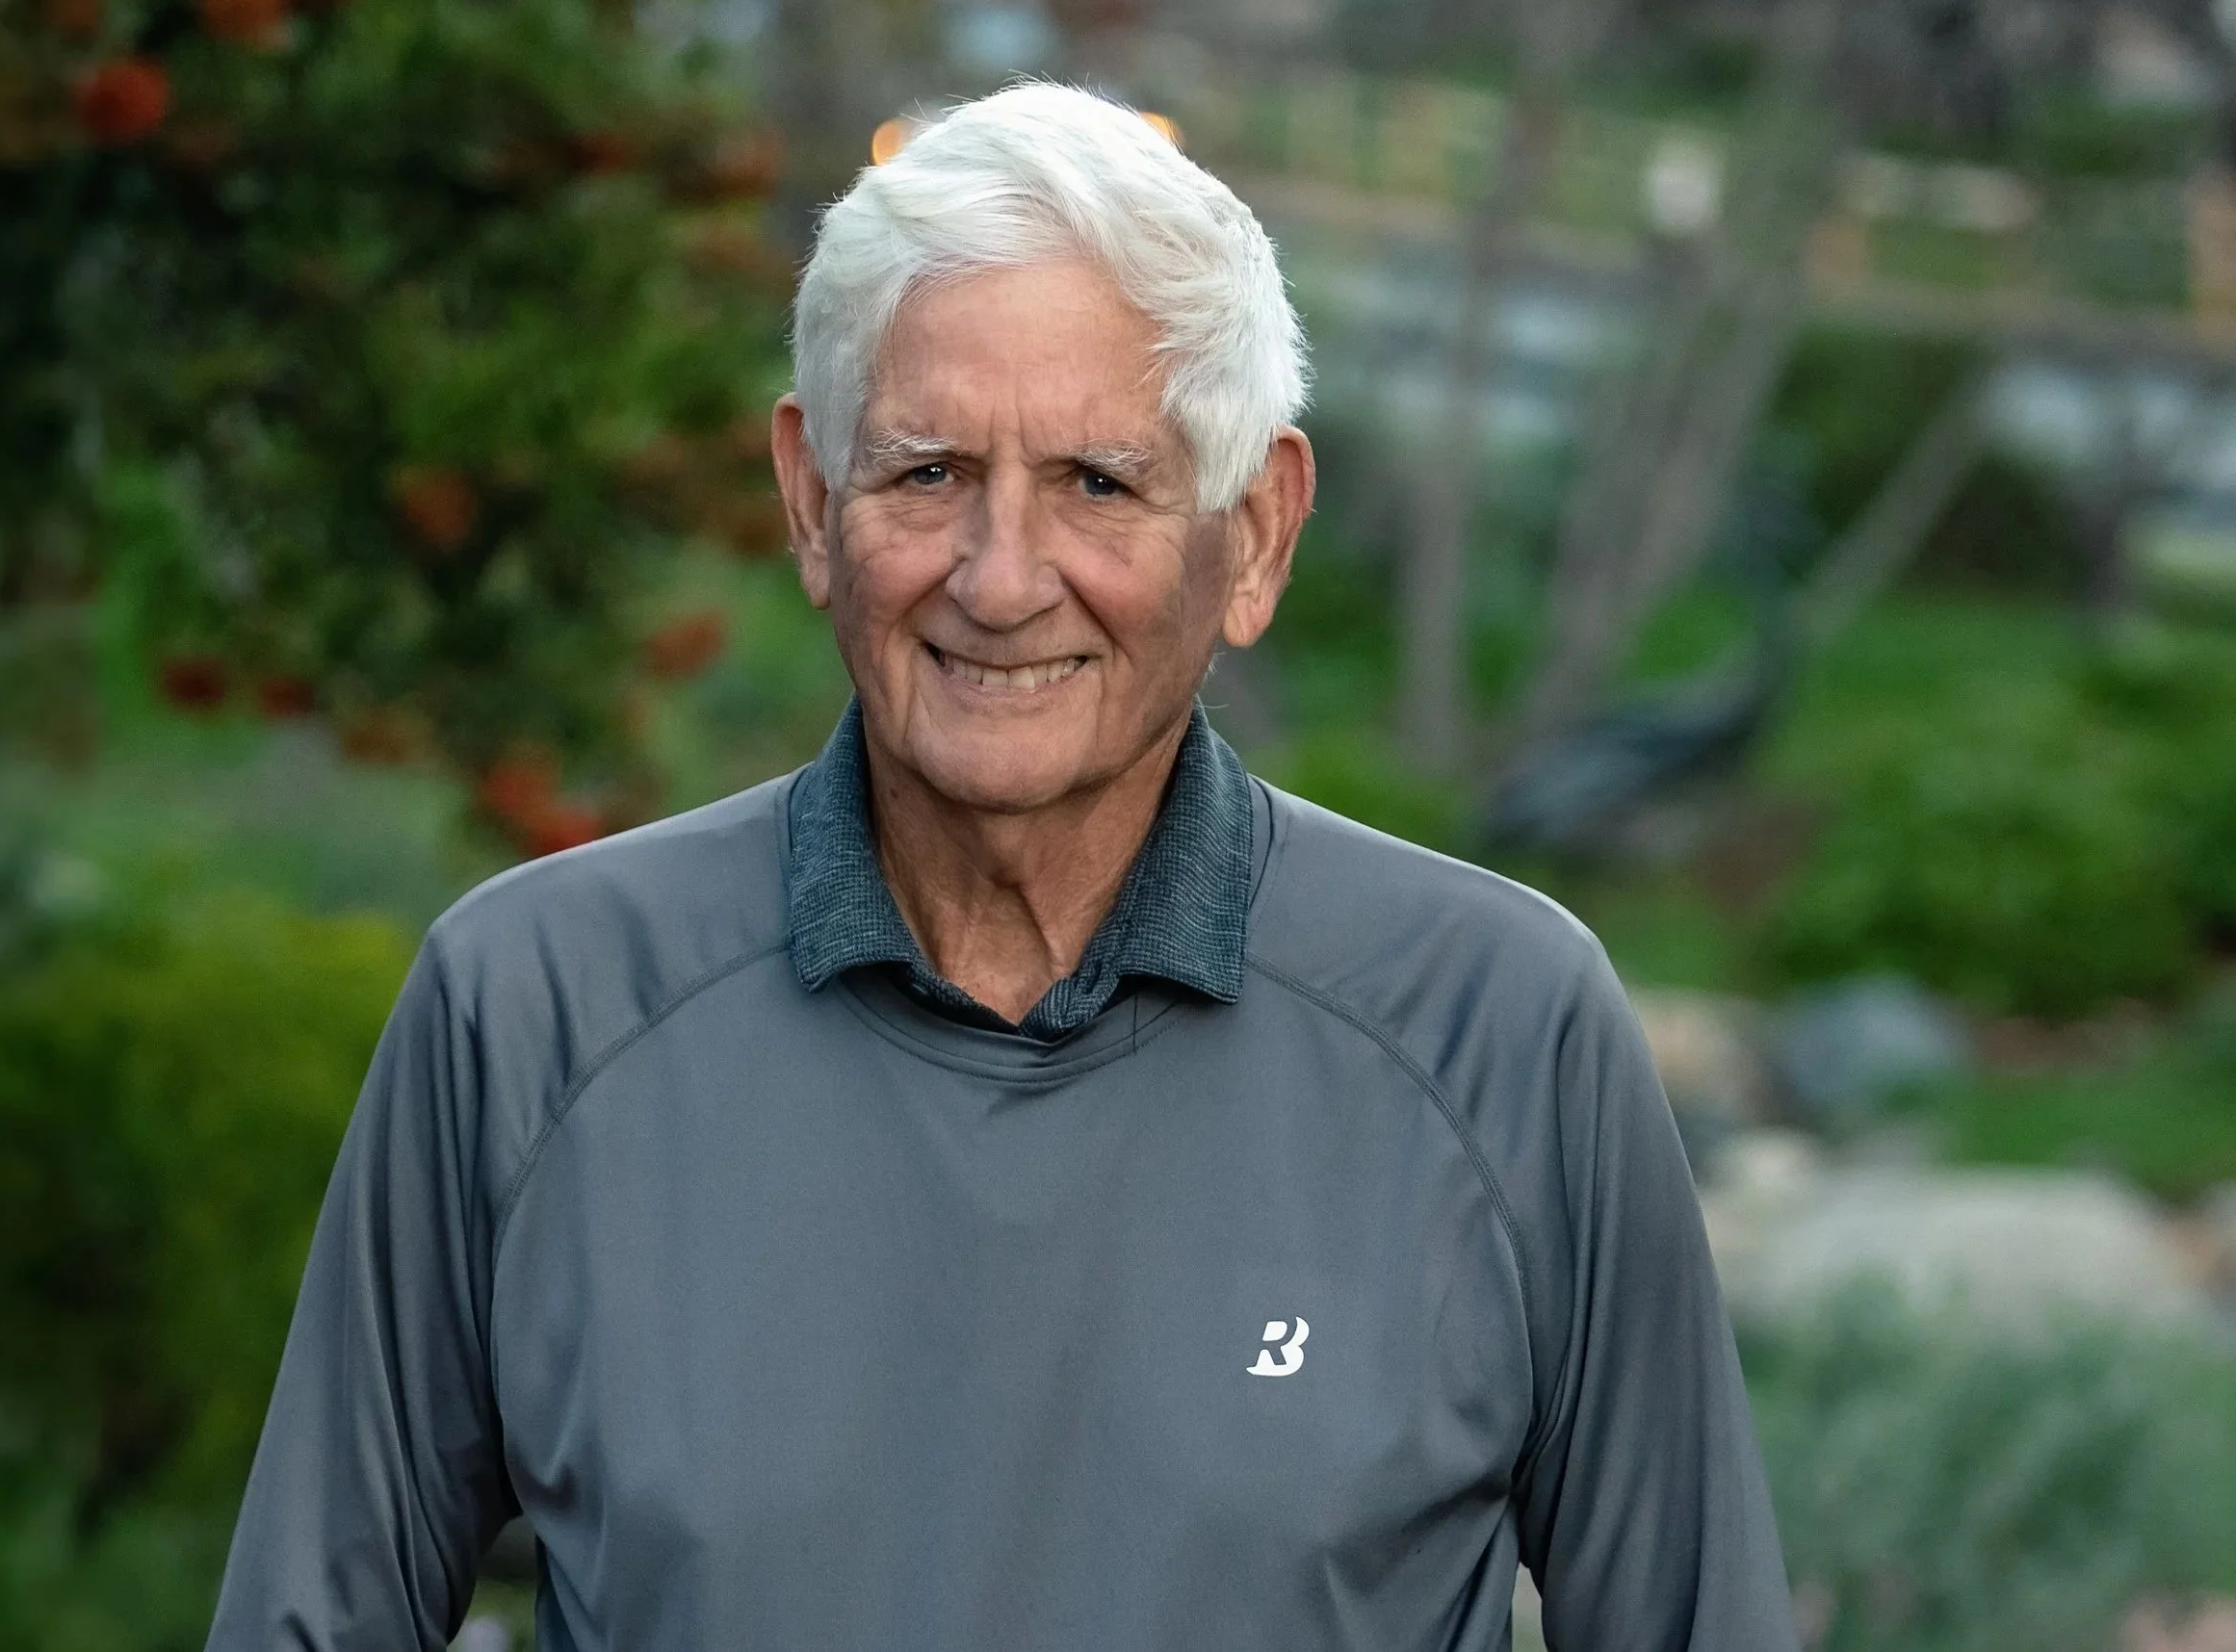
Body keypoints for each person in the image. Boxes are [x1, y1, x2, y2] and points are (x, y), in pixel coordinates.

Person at [209, 81, 1798, 1651]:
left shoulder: (1504, 1034)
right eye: (928, 474)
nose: (1001, 576)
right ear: (810, 501)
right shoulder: (529, 1010)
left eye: (1098, 484)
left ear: (1255, 537)